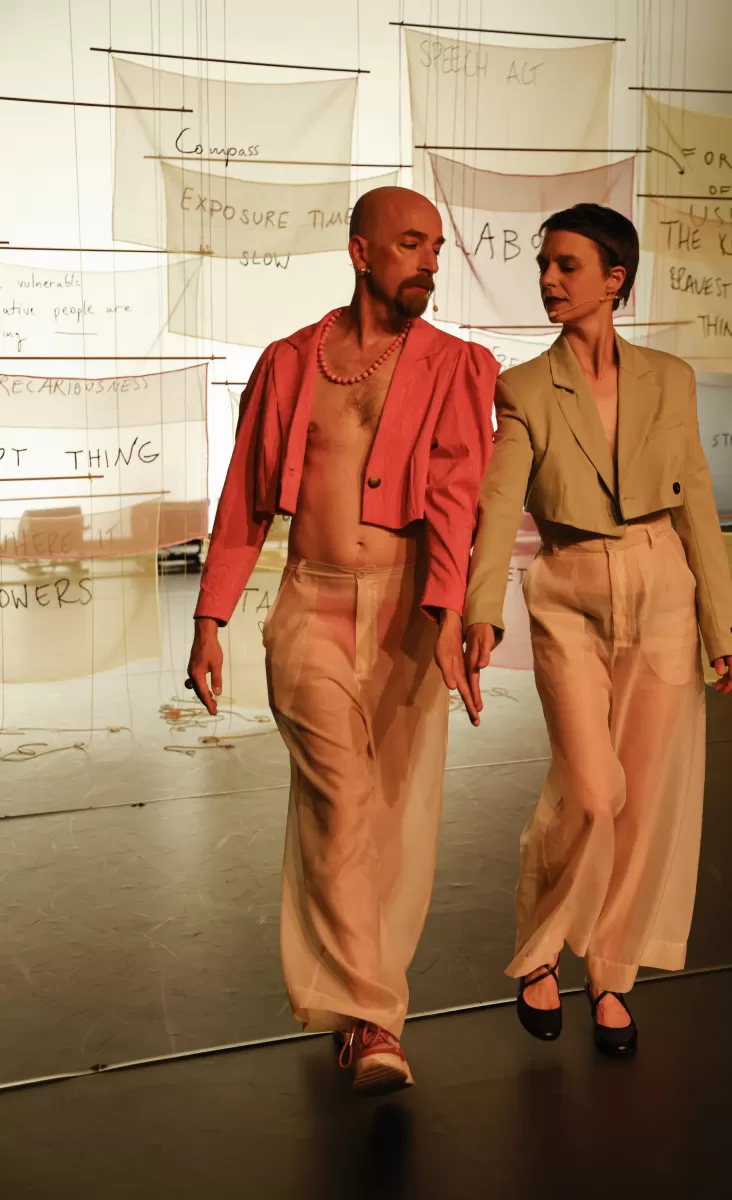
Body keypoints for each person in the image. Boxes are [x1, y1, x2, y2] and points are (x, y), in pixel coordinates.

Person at [186, 186, 498, 1094]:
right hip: (311, 603)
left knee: (395, 819)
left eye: (436, 248)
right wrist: (209, 618)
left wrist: (449, 614)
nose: (429, 262)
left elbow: (459, 501)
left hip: (408, 610)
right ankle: (376, 1022)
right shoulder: (289, 363)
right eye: (411, 244)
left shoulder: (455, 366)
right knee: (341, 802)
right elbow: (244, 494)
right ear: (361, 252)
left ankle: (358, 1011)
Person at [463, 203, 732, 1057]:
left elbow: (696, 496)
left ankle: (612, 974)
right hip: (568, 590)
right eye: (544, 265)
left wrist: (723, 623)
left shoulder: (670, 378)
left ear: (613, 280)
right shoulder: (522, 387)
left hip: (664, 589)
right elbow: (499, 503)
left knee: (645, 799)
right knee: (592, 792)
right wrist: (481, 610)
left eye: (567, 266)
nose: (548, 279)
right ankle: (541, 949)